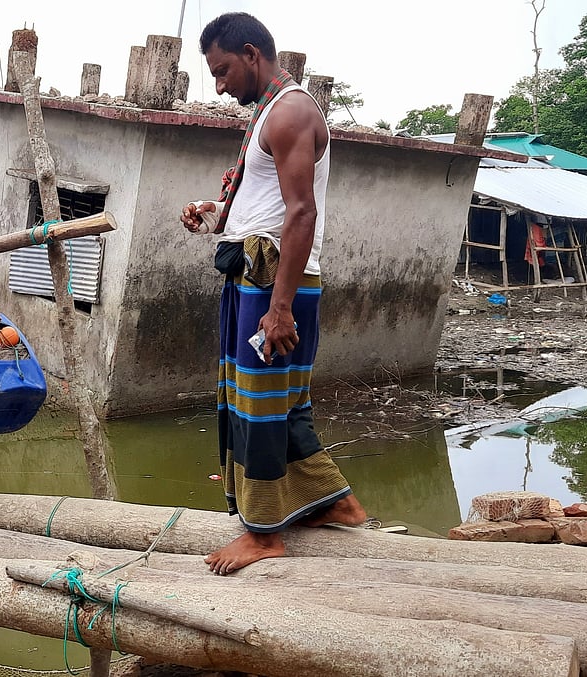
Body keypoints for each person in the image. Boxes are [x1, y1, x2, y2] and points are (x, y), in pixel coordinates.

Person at [181, 12, 368, 574]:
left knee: (259, 408)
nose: (218, 85)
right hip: (257, 278)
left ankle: (263, 534)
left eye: (222, 71)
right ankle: (336, 502)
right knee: (278, 402)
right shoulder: (271, 111)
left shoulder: (288, 111)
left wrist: (280, 307)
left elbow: (301, 212)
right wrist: (217, 215)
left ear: (251, 53)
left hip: (275, 286)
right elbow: (263, 206)